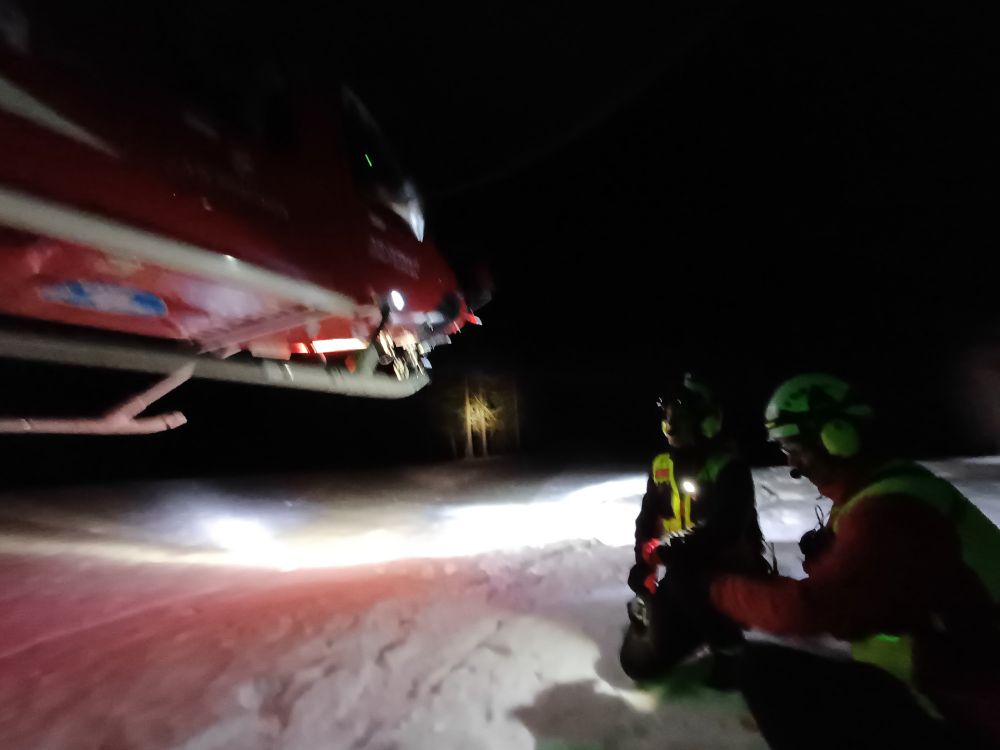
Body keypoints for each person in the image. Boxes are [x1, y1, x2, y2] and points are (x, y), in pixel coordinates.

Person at [710, 373, 1000, 749]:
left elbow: (811, 608)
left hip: (980, 713)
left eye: (795, 447)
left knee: (765, 670)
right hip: (960, 682)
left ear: (837, 436)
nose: (793, 464)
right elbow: (870, 603)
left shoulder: (889, 507)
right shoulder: (883, 490)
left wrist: (719, 588)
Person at [620, 373, 765, 686]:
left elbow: (725, 530)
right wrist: (644, 566)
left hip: (731, 571)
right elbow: (647, 522)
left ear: (707, 422)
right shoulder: (662, 466)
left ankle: (729, 648)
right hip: (685, 573)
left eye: (680, 417)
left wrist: (671, 553)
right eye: (668, 416)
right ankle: (697, 624)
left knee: (686, 578)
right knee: (638, 664)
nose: (670, 425)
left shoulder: (729, 468)